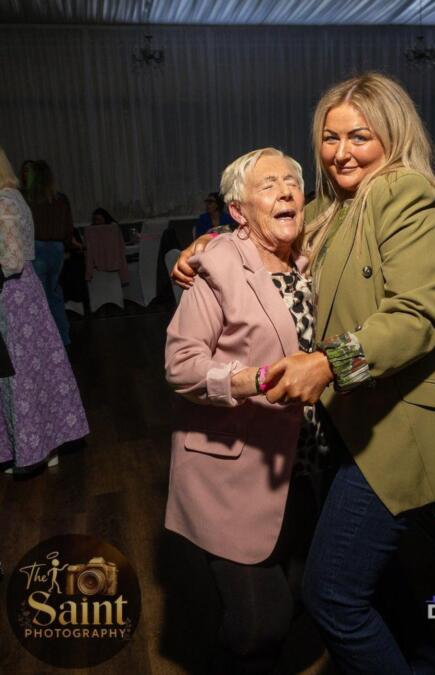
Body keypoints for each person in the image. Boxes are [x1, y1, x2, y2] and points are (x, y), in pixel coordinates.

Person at [172, 73, 435, 673]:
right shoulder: (338, 206)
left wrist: (328, 363)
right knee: (383, 585)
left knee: (332, 596)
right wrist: (208, 244)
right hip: (356, 422)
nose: (342, 152)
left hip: (401, 424)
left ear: (392, 136)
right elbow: (269, 224)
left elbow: (417, 316)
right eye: (330, 138)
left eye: (359, 137)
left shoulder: (407, 194)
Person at [165, 147, 323, 673]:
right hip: (235, 467)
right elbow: (181, 365)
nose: (284, 191)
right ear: (238, 209)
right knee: (260, 624)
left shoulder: (310, 259)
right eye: (267, 184)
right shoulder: (217, 265)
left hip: (305, 461)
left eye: (291, 182)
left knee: (304, 596)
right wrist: (253, 379)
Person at [0, 147, 88, 470]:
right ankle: (46, 444)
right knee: (38, 366)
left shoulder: (5, 202)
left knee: (18, 372)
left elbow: (10, 261)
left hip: (12, 294)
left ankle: (33, 448)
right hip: (27, 287)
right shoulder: (17, 198)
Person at [23, 160, 73, 345]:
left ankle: (45, 342)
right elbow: (68, 227)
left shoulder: (27, 200)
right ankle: (63, 338)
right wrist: (66, 247)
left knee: (39, 298)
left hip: (36, 249)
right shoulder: (60, 199)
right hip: (57, 249)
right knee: (54, 295)